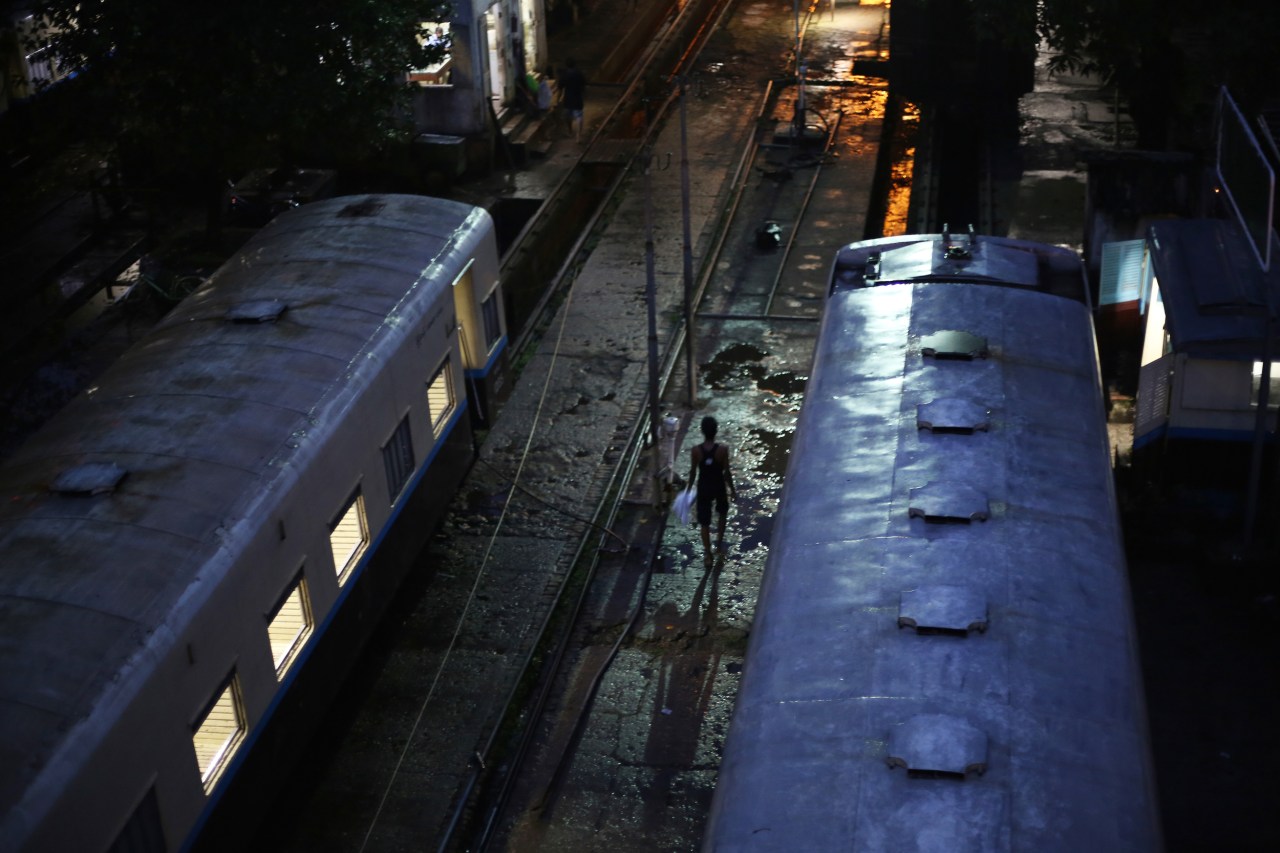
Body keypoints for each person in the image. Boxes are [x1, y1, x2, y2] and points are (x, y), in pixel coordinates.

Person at [688, 415, 736, 567]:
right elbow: (726, 473)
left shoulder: (696, 451)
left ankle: (707, 554)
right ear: (716, 431)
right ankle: (719, 545)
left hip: (704, 488)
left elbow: (693, 472)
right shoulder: (722, 450)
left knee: (704, 522)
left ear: (702, 431)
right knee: (722, 514)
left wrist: (689, 490)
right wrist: (733, 490)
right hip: (718, 486)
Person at [557, 58, 587, 141]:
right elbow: (584, 85)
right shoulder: (579, 74)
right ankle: (578, 136)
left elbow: (560, 89)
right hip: (577, 97)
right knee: (579, 116)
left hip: (568, 98)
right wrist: (583, 95)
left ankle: (570, 131)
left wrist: (558, 99)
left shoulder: (564, 75)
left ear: (566, 65)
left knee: (568, 116)